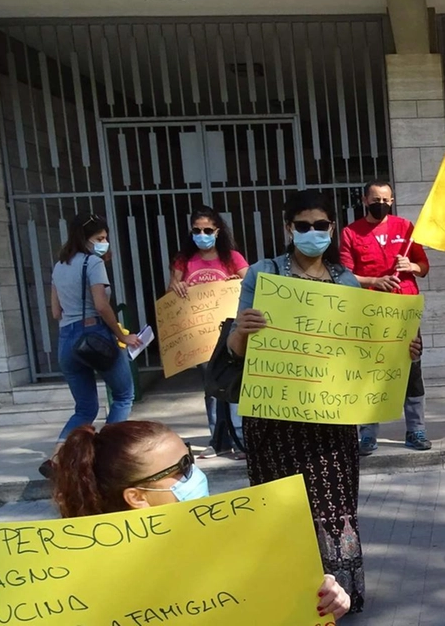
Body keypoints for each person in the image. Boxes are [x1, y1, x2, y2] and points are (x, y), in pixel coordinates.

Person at [225, 189, 368, 613]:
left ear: (332, 228)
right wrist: (241, 332)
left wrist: (399, 350)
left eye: (320, 225)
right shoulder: (262, 275)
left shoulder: (347, 280)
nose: (311, 233)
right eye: (302, 225)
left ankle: (339, 599)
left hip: (331, 419)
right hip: (275, 419)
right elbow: (235, 350)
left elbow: (361, 347)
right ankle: (288, 599)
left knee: (335, 505)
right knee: (281, 507)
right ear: (289, 228)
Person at [51, 420, 351, 621]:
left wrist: (323, 602)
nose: (195, 474)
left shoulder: (239, 540)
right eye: (181, 469)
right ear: (137, 497)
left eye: (191, 459)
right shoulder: (87, 584)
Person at [42, 214, 140, 479]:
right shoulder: (93, 262)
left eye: (105, 238)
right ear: (84, 239)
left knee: (85, 408)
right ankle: (106, 455)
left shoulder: (60, 266)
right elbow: (100, 305)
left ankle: (55, 459)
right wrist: (121, 334)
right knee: (123, 395)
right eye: (100, 239)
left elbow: (55, 311)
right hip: (94, 333)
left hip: (66, 340)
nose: (104, 243)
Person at [339, 179, 432, 455]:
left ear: (392, 201)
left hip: (405, 312)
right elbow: (344, 276)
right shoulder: (350, 233)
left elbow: (424, 267)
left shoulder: (405, 227)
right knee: (369, 372)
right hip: (370, 312)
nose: (382, 205)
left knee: (411, 370)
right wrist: (373, 281)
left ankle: (416, 429)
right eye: (376, 200)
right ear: (364, 200)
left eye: (386, 200)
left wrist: (411, 265)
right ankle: (367, 434)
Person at [167, 206, 250, 461]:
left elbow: (249, 284)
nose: (201, 235)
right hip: (200, 338)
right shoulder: (184, 259)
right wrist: (178, 286)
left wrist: (234, 282)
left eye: (207, 230)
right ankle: (218, 440)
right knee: (212, 388)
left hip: (229, 334)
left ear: (217, 231)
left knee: (234, 384)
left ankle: (239, 439)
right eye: (196, 230)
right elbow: (172, 289)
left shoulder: (232, 258)